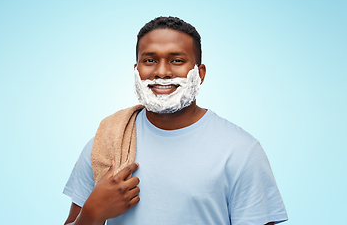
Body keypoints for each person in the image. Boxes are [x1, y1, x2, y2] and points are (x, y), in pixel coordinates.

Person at [63, 16, 288, 225]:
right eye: (150, 60)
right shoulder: (106, 143)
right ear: (136, 70)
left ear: (199, 74)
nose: (162, 72)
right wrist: (92, 213)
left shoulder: (240, 151)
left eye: (177, 60)